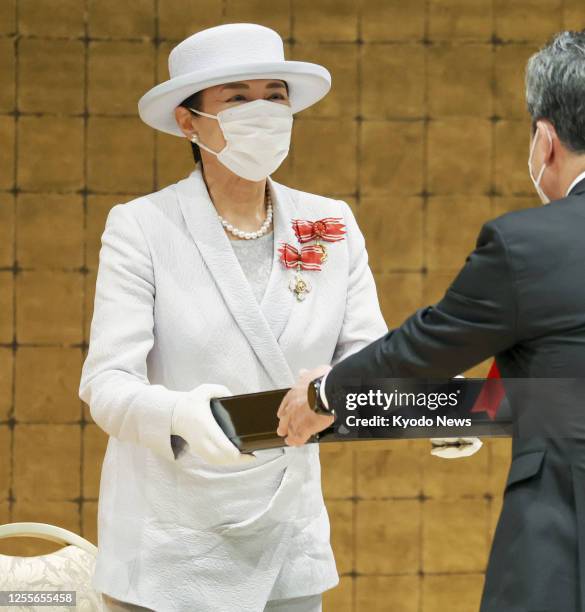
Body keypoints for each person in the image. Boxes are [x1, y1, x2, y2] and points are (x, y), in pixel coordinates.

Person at [79, 22, 389, 612]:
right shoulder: (143, 226)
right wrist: (181, 413)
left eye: (275, 95)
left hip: (287, 542)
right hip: (169, 548)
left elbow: (371, 361)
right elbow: (105, 384)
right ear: (189, 121)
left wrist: (430, 408)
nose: (263, 111)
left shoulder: (330, 224)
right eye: (237, 97)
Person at [277, 29, 585, 612]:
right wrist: (474, 404)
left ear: (545, 140)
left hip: (565, 549)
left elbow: (423, 349)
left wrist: (324, 390)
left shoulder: (527, 246)